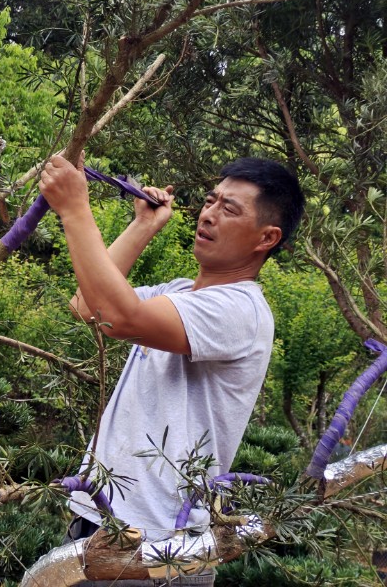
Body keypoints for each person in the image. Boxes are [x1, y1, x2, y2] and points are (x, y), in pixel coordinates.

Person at [39, 153, 304, 586]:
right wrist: (142, 225)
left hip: (162, 542)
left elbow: (119, 317)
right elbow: (89, 307)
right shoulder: (179, 293)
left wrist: (74, 209)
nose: (210, 214)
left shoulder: (241, 309)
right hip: (103, 519)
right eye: (210, 200)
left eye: (230, 209)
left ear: (266, 237)